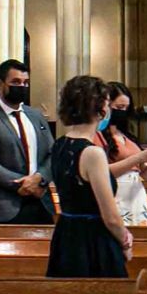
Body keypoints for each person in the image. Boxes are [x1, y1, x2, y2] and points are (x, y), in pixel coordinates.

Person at [46, 75, 133, 278]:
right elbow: (110, 216)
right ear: (100, 108)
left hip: (66, 234)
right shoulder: (92, 153)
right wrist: (125, 240)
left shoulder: (59, 144)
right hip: (92, 240)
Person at [0, 59, 55, 224]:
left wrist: (40, 178)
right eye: (16, 82)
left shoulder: (36, 116)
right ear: (0, 84)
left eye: (25, 83)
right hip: (3, 206)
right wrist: (25, 184)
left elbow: (52, 153)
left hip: (41, 202)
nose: (22, 86)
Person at [95, 81, 147, 226]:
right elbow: (103, 172)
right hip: (115, 193)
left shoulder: (127, 136)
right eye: (119, 107)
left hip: (135, 194)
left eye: (126, 108)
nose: (123, 111)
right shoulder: (97, 135)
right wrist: (138, 157)